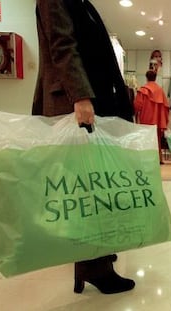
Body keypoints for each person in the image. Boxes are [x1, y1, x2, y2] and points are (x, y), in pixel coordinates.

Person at [33, 0, 135, 294]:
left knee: (95, 184)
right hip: (76, 103)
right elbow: (62, 46)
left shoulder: (81, 2)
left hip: (92, 101)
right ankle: (93, 266)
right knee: (87, 190)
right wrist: (80, 97)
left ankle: (96, 255)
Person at [134, 70, 169, 164]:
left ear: (146, 77)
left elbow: (137, 105)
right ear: (155, 77)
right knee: (157, 139)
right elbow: (166, 106)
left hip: (145, 118)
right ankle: (158, 158)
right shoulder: (160, 91)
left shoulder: (142, 90)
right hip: (157, 119)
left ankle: (146, 158)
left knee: (145, 138)